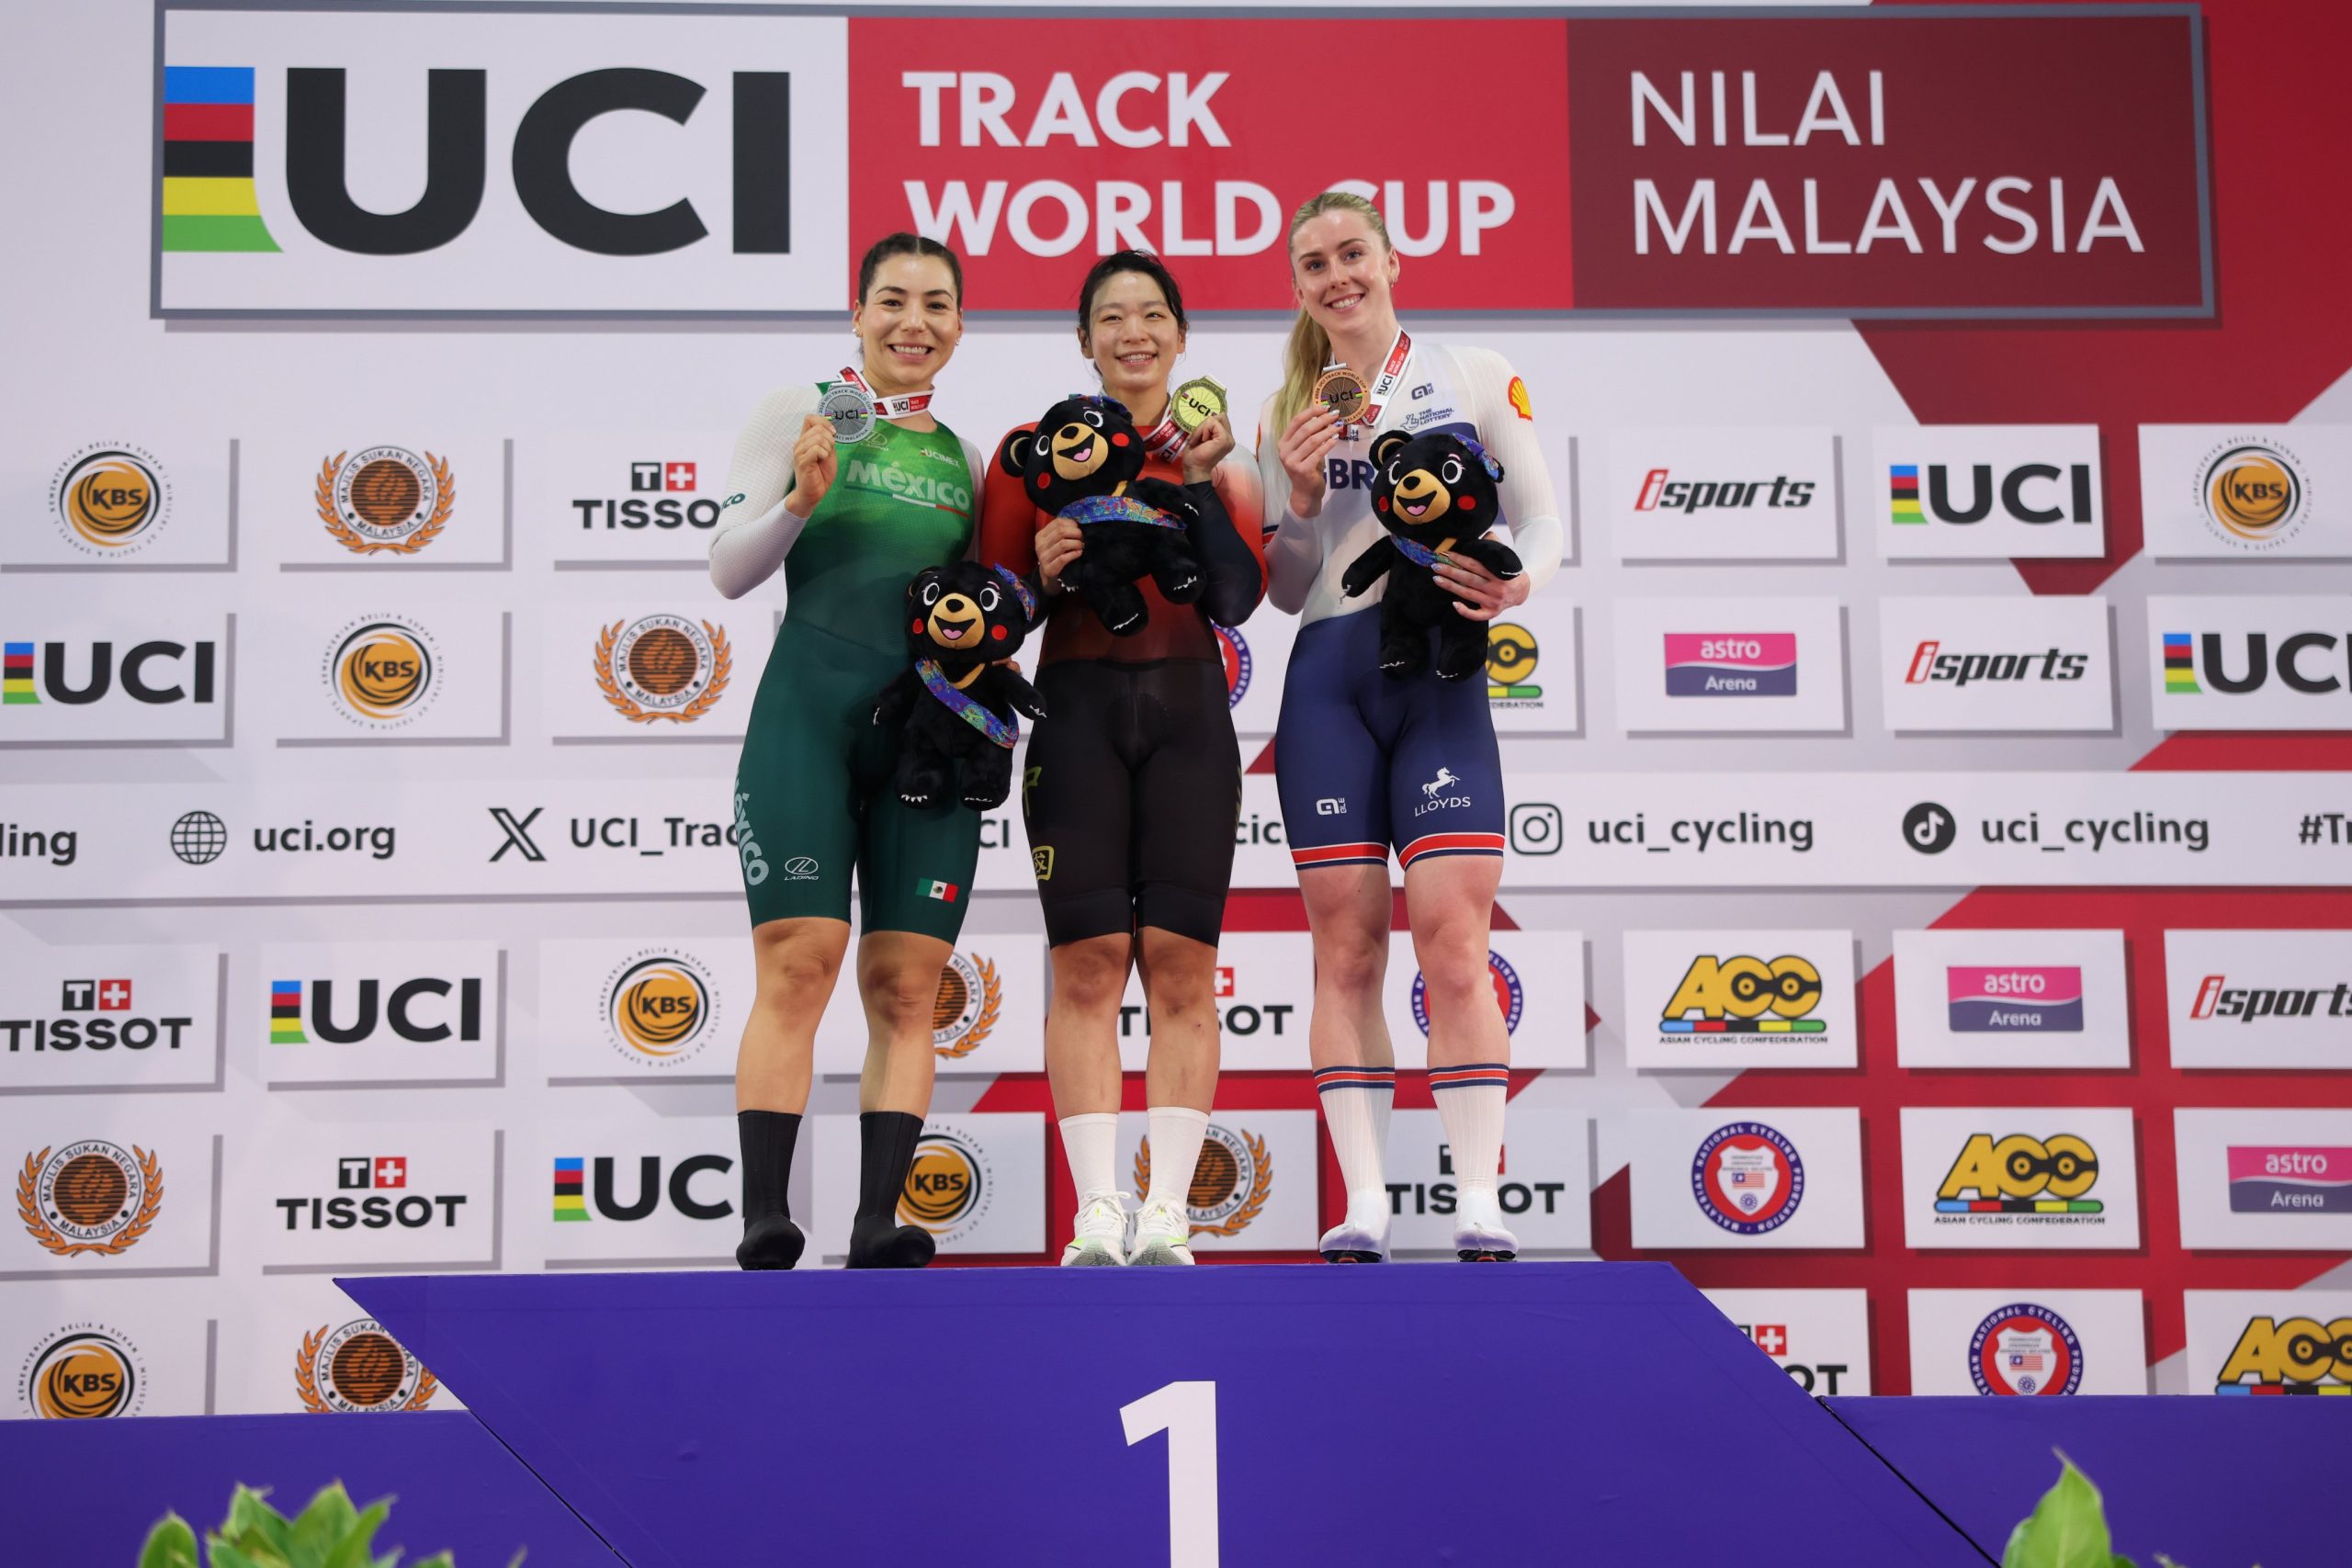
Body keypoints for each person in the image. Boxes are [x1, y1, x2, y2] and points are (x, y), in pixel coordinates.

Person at [1257, 193, 1563, 1262]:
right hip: (1327, 680)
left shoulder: (1472, 373)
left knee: (1454, 939)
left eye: (1352, 254)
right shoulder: (1287, 405)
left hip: (1437, 674)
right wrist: (1299, 498)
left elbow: (1541, 516)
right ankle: (1364, 1205)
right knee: (1344, 949)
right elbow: (1284, 589)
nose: (1336, 275)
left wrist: (1519, 584)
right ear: (1297, 288)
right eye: (1314, 264)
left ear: (1391, 262)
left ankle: (1478, 1198)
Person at [710, 233, 990, 1271]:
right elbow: (728, 571)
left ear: (959, 325)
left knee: (909, 986)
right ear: (859, 314)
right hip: (806, 722)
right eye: (893, 301)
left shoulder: (964, 458)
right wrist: (798, 501)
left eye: (936, 304)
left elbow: (984, 612)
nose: (914, 322)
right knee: (800, 962)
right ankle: (765, 1217)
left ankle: (880, 1218)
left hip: (924, 743)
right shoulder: (802, 411)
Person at [980, 251, 1267, 1266]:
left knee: (1183, 966)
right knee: (1088, 963)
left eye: (1152, 315)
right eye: (1111, 316)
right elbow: (989, 616)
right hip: (1077, 714)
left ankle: (1169, 1212)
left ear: (1181, 335)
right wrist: (1039, 574)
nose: (1133, 332)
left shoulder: (1217, 453)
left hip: (1189, 717)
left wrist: (1202, 480)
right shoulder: (1029, 453)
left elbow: (1237, 599)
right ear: (1084, 339)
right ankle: (1098, 1208)